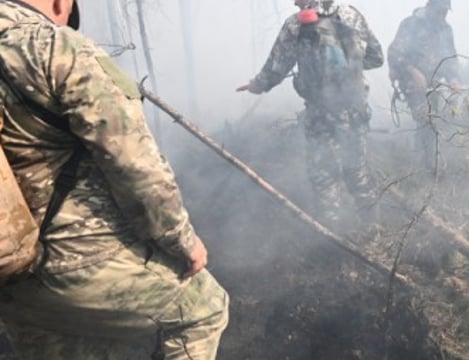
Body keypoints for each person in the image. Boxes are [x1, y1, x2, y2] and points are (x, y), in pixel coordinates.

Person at [0, 1, 229, 359]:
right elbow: (135, 164)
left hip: (10, 285)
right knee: (203, 311)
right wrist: (181, 241)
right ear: (61, 3)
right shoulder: (55, 48)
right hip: (76, 264)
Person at [238, 0, 383, 227]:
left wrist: (255, 85)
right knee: (357, 170)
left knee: (324, 175)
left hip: (321, 113)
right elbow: (376, 57)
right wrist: (347, 68)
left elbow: (276, 68)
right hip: (355, 109)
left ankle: (334, 237)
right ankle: (373, 229)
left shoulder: (295, 25)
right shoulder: (351, 15)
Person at [388, 0, 459, 167]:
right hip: (411, 83)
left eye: (445, 12)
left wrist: (454, 78)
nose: (442, 15)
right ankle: (426, 165)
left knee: (433, 119)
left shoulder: (446, 29)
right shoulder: (410, 25)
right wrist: (413, 71)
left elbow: (451, 58)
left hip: (434, 83)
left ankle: (428, 161)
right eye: (439, 11)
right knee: (425, 119)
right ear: (429, 7)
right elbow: (395, 53)